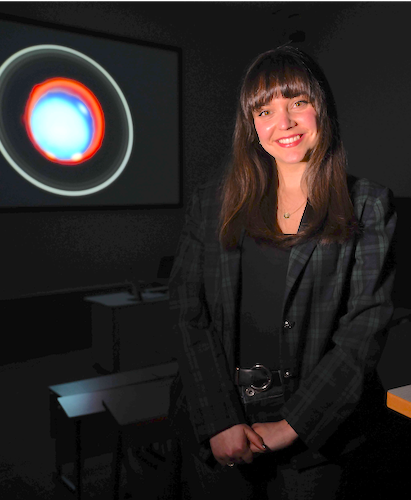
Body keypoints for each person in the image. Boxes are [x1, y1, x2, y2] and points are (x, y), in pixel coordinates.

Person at [167, 45, 396, 499]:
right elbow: (186, 311)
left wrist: (293, 425)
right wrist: (220, 420)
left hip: (320, 439)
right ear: (251, 126)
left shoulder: (368, 203)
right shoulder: (211, 202)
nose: (284, 122)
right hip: (221, 426)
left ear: (321, 109)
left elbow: (365, 328)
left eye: (298, 102)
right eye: (265, 111)